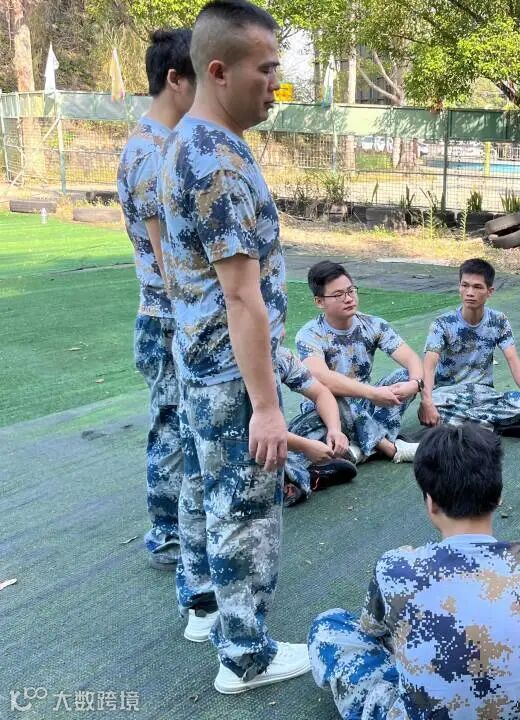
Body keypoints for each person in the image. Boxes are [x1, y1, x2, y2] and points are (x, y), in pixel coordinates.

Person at [159, 0, 310, 693]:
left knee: (204, 488)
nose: (277, 86)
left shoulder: (187, 141)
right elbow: (242, 295)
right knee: (244, 513)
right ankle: (244, 657)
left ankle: (205, 609)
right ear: (218, 71)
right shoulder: (215, 162)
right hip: (229, 372)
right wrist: (267, 406)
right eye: (267, 70)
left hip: (200, 360)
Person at [308, 423, 520, 719]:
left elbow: (372, 631)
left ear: (430, 502)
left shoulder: (395, 568)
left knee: (329, 625)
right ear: (499, 494)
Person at [116, 27, 196, 569]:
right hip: (167, 317)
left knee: (179, 423)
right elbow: (169, 261)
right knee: (171, 426)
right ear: (175, 80)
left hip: (171, 315)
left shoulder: (163, 144)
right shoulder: (151, 153)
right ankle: (167, 535)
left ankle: (179, 527)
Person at [295, 261, 423, 463]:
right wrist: (372, 393)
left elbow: (411, 359)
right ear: (319, 302)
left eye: (351, 290)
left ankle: (361, 448)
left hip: (364, 402)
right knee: (332, 392)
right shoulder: (310, 334)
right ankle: (390, 449)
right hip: (329, 411)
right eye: (338, 295)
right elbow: (321, 377)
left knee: (405, 377)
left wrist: (415, 384)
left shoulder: (373, 325)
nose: (348, 299)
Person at [419, 258, 520, 435]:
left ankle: (469, 425)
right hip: (449, 395)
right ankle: (495, 425)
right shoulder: (442, 324)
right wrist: (427, 401)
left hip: (483, 395)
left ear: (489, 291)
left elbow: (513, 361)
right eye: (465, 285)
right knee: (433, 407)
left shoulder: (499, 321)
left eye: (477, 287)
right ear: (459, 287)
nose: (470, 292)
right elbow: (429, 366)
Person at [273, 347, 355, 507]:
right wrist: (305, 446)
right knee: (259, 457)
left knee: (336, 410)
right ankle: (299, 477)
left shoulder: (281, 356)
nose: (281, 334)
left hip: (278, 436)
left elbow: (321, 394)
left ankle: (299, 472)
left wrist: (335, 430)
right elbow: (251, 432)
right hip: (237, 446)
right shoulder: (230, 367)